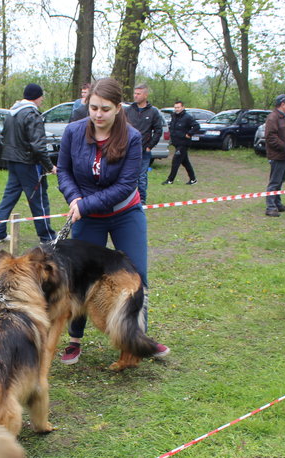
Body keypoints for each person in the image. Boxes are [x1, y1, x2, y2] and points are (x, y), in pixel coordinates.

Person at [56, 77, 169, 365]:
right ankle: (74, 340)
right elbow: (64, 172)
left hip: (125, 214)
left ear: (118, 108)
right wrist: (73, 198)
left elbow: (125, 185)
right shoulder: (72, 132)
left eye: (105, 109)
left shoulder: (131, 137)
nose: (97, 114)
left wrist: (86, 203)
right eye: (93, 107)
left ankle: (136, 341)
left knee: (137, 277)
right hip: (86, 216)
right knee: (81, 278)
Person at [0, 83, 57, 244]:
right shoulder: (32, 114)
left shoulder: (12, 113)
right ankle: (47, 236)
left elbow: (4, 135)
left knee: (9, 196)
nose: (42, 100)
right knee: (39, 198)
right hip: (28, 163)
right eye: (41, 97)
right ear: (37, 97)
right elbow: (38, 146)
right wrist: (50, 166)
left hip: (13, 161)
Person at [124, 83, 163, 202]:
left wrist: (150, 146)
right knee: (127, 175)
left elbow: (158, 131)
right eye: (135, 93)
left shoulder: (153, 112)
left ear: (145, 95)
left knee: (141, 177)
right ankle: (127, 200)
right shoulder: (128, 110)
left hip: (144, 151)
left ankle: (141, 201)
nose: (135, 96)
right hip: (128, 149)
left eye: (138, 94)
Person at [162, 100, 198, 185]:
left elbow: (196, 126)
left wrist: (189, 134)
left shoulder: (187, 117)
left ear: (182, 107)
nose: (177, 109)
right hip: (176, 142)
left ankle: (170, 180)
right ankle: (193, 179)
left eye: (178, 107)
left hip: (183, 143)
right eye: (175, 108)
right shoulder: (174, 116)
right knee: (185, 162)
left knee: (176, 161)